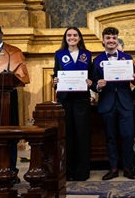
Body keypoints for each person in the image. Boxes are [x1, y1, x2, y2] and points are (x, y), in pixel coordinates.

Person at [0, 22, 30, 184]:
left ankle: (10, 169)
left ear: (2, 34)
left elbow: (22, 76)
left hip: (8, 98)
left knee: (10, 133)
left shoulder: (13, 52)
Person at [91, 27, 135, 180]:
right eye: (108, 38)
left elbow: (134, 80)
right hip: (107, 103)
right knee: (110, 137)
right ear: (103, 41)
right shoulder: (97, 60)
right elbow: (93, 83)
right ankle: (113, 168)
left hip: (125, 102)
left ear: (117, 39)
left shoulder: (128, 58)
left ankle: (127, 168)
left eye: (114, 37)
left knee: (128, 135)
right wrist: (98, 85)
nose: (111, 40)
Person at [52, 27, 93, 181]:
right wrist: (55, 81)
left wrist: (91, 82)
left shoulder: (87, 55)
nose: (72, 37)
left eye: (75, 35)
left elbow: (92, 76)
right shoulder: (59, 54)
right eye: (69, 35)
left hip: (82, 99)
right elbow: (55, 75)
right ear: (65, 38)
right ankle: (68, 172)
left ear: (80, 38)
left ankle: (82, 173)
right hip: (65, 99)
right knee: (66, 135)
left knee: (82, 136)